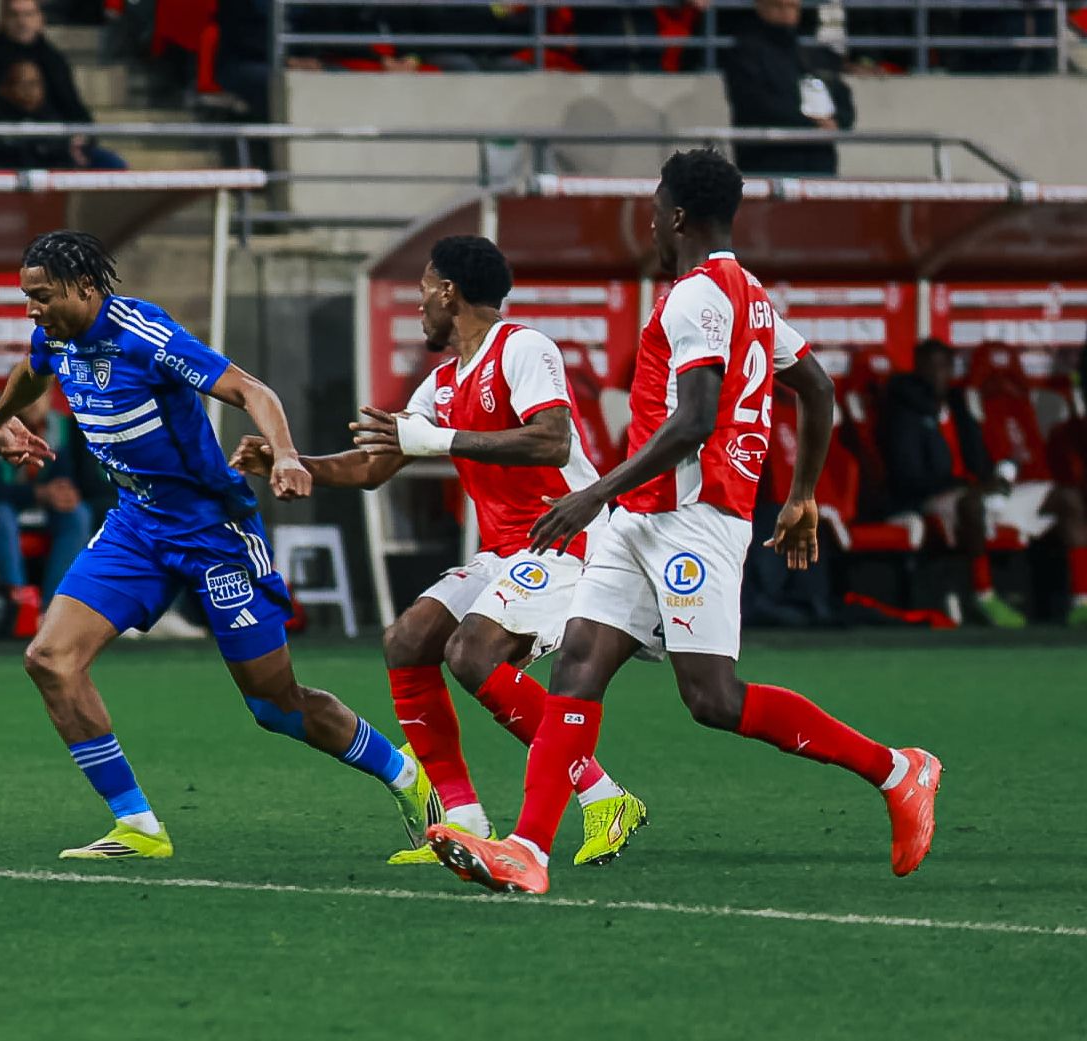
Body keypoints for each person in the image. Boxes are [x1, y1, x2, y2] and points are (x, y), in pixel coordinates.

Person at [427, 149, 941, 894]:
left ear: (676, 217)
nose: (649, 225)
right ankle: (527, 848)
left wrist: (595, 492)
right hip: (643, 516)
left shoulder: (695, 296)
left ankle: (896, 769)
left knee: (713, 699)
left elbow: (694, 420)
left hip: (693, 518)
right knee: (578, 663)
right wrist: (801, 495)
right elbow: (817, 387)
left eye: (653, 211)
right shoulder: (747, 294)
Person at [0, 230, 439, 860]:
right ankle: (138, 826)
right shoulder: (56, 336)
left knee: (275, 705)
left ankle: (408, 775)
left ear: (86, 287)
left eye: (42, 296)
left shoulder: (144, 334)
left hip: (212, 532)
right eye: (27, 297)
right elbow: (32, 370)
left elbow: (254, 391)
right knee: (49, 659)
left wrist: (286, 456)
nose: (32, 309)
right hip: (136, 525)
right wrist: (0, 419)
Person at [230, 235, 646, 869]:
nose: (419, 303)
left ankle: (603, 795)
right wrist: (292, 462)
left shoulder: (521, 347)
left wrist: (441, 439)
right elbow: (374, 467)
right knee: (407, 641)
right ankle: (462, 818)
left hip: (568, 538)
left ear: (449, 292)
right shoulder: (442, 383)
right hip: (507, 551)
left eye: (424, 289)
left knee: (472, 652)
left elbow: (552, 442)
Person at [881, 338, 1087, 628]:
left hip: (980, 491)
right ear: (919, 368)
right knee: (972, 503)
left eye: (946, 366)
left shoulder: (959, 405)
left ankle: (1082, 600)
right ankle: (983, 595)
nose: (941, 374)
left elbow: (979, 458)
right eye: (934, 366)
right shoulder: (903, 413)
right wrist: (969, 486)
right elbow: (909, 476)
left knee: (1067, 498)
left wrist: (997, 475)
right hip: (935, 497)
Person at [0, 389, 92, 603]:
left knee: (77, 515)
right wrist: (39, 493)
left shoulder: (57, 424)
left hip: (26, 501)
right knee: (1, 516)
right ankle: (19, 604)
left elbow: (62, 472)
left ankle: (54, 606)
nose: (35, 402)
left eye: (42, 394)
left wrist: (63, 492)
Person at [0, 0, 119, 174]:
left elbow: (74, 109)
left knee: (113, 165)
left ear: (41, 19)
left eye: (29, 14)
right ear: (2, 20)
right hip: (2, 152)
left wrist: (82, 140)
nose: (22, 21)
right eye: (15, 15)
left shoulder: (54, 60)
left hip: (55, 149)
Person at [723, 0, 854, 176]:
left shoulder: (813, 55)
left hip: (819, 162)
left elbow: (842, 97)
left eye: (792, 7)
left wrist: (836, 121)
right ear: (761, 7)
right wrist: (812, 125)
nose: (786, 13)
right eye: (779, 6)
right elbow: (756, 105)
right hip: (767, 160)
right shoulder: (745, 53)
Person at [0, 59, 125, 170]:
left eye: (35, 83)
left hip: (58, 186)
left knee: (110, 162)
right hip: (13, 191)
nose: (30, 91)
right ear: (4, 89)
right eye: (23, 84)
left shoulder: (55, 118)